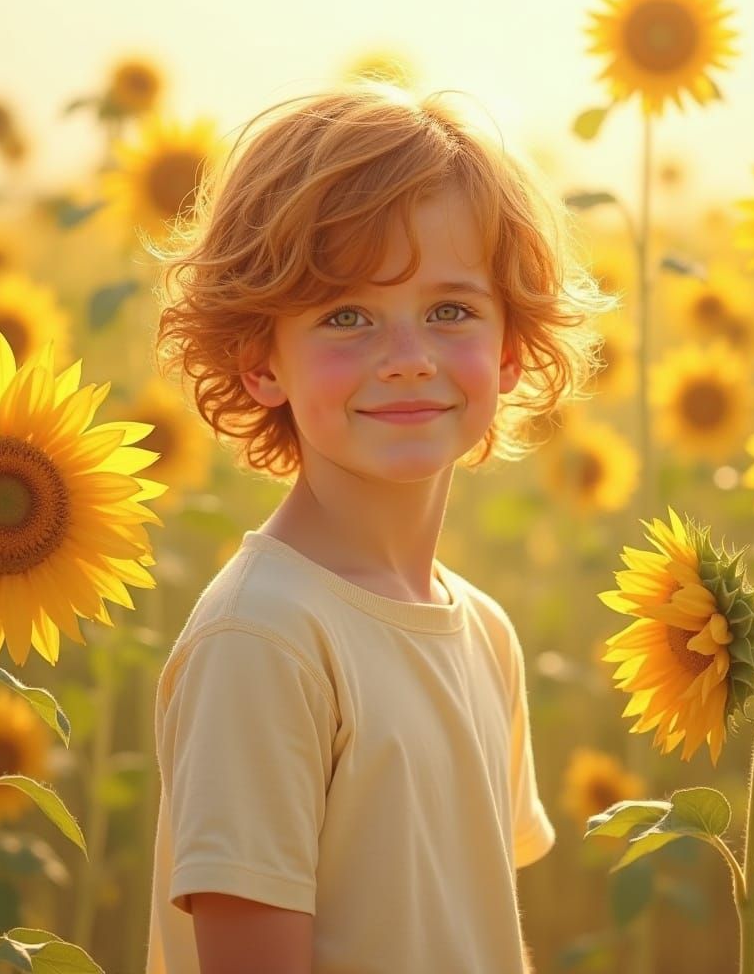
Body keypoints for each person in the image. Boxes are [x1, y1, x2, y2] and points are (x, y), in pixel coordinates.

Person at [144, 81, 613, 974]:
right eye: (346, 316)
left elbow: (475, 929)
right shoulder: (265, 639)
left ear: (510, 349)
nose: (407, 360)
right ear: (259, 364)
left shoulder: (483, 631)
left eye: (450, 310)